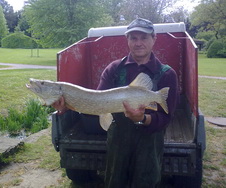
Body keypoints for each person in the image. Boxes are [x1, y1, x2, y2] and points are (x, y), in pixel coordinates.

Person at [53, 18, 178, 187]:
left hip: (150, 140)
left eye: (144, 37)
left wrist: (142, 119)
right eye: (133, 38)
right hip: (118, 139)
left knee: (145, 182)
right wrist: (67, 106)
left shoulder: (167, 74)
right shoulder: (113, 69)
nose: (138, 42)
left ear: (154, 39)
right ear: (127, 40)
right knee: (115, 182)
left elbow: (165, 118)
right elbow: (97, 103)